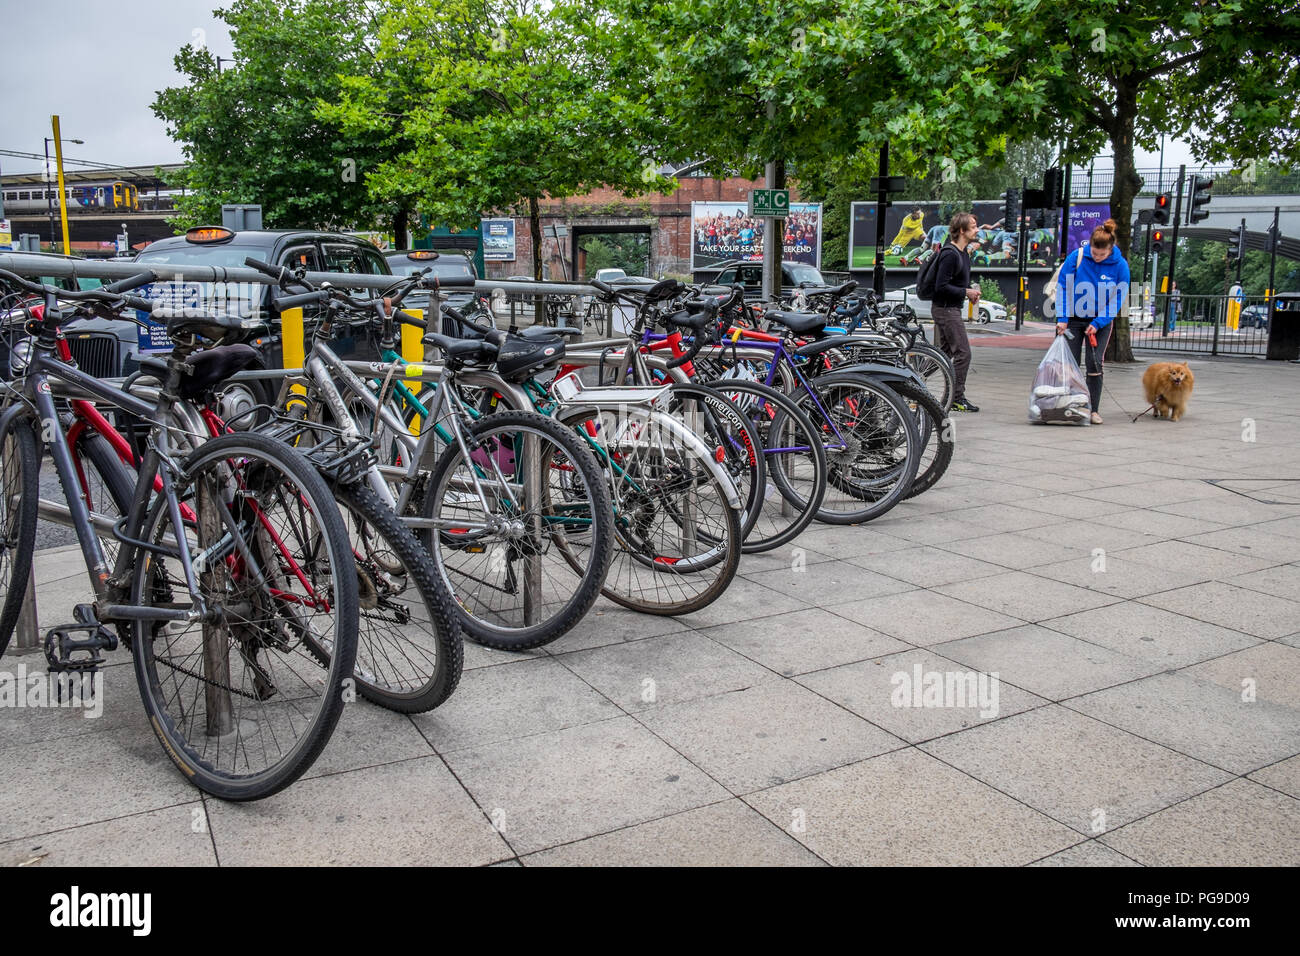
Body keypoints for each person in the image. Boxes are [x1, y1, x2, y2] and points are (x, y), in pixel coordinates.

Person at [1055, 218, 1130, 425]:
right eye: (1094, 253)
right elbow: (1063, 287)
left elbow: (1117, 300)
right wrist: (1062, 318)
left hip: (1100, 322)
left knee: (1094, 362)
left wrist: (1097, 323)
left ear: (1111, 248)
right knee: (1068, 362)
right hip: (1072, 319)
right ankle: (1068, 405)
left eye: (1102, 255)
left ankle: (1092, 409)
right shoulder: (1077, 257)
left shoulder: (1120, 266)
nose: (1097, 258)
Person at [931, 211, 982, 412]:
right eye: (973, 226)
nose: (977, 229)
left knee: (943, 354)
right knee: (963, 353)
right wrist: (966, 291)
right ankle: (956, 398)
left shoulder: (962, 253)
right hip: (945, 310)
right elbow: (940, 286)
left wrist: (968, 292)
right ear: (962, 230)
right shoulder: (950, 254)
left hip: (952, 308)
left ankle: (912, 380)